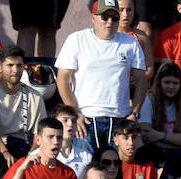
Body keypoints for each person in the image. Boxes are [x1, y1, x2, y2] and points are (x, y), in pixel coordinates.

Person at [55, 0, 147, 153]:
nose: (109, 22)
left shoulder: (130, 42)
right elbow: (63, 78)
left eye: (114, 17)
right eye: (105, 17)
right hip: (86, 119)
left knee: (115, 171)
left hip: (119, 119)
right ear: (93, 18)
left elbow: (141, 80)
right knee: (87, 170)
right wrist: (75, 113)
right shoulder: (76, 39)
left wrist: (135, 113)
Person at [0, 47, 46, 161]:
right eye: (10, 65)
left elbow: (38, 133)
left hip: (23, 148)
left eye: (19, 65)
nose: (15, 70)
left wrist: (31, 154)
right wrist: (4, 152)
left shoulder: (35, 96)